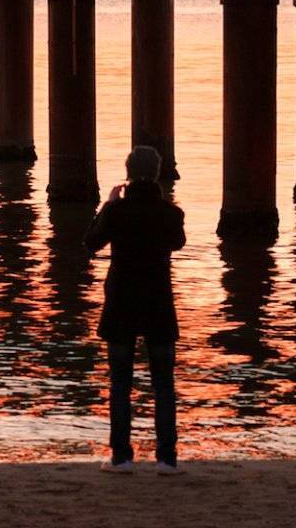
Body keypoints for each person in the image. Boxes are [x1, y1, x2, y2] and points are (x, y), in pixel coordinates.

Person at [86, 146, 186, 475]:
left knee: (119, 384)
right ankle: (167, 458)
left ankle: (121, 457)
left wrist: (108, 204)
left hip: (122, 303)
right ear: (158, 173)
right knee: (164, 384)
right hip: (158, 303)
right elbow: (177, 242)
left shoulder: (117, 212)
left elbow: (91, 243)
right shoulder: (170, 214)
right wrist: (165, 207)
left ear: (128, 173)